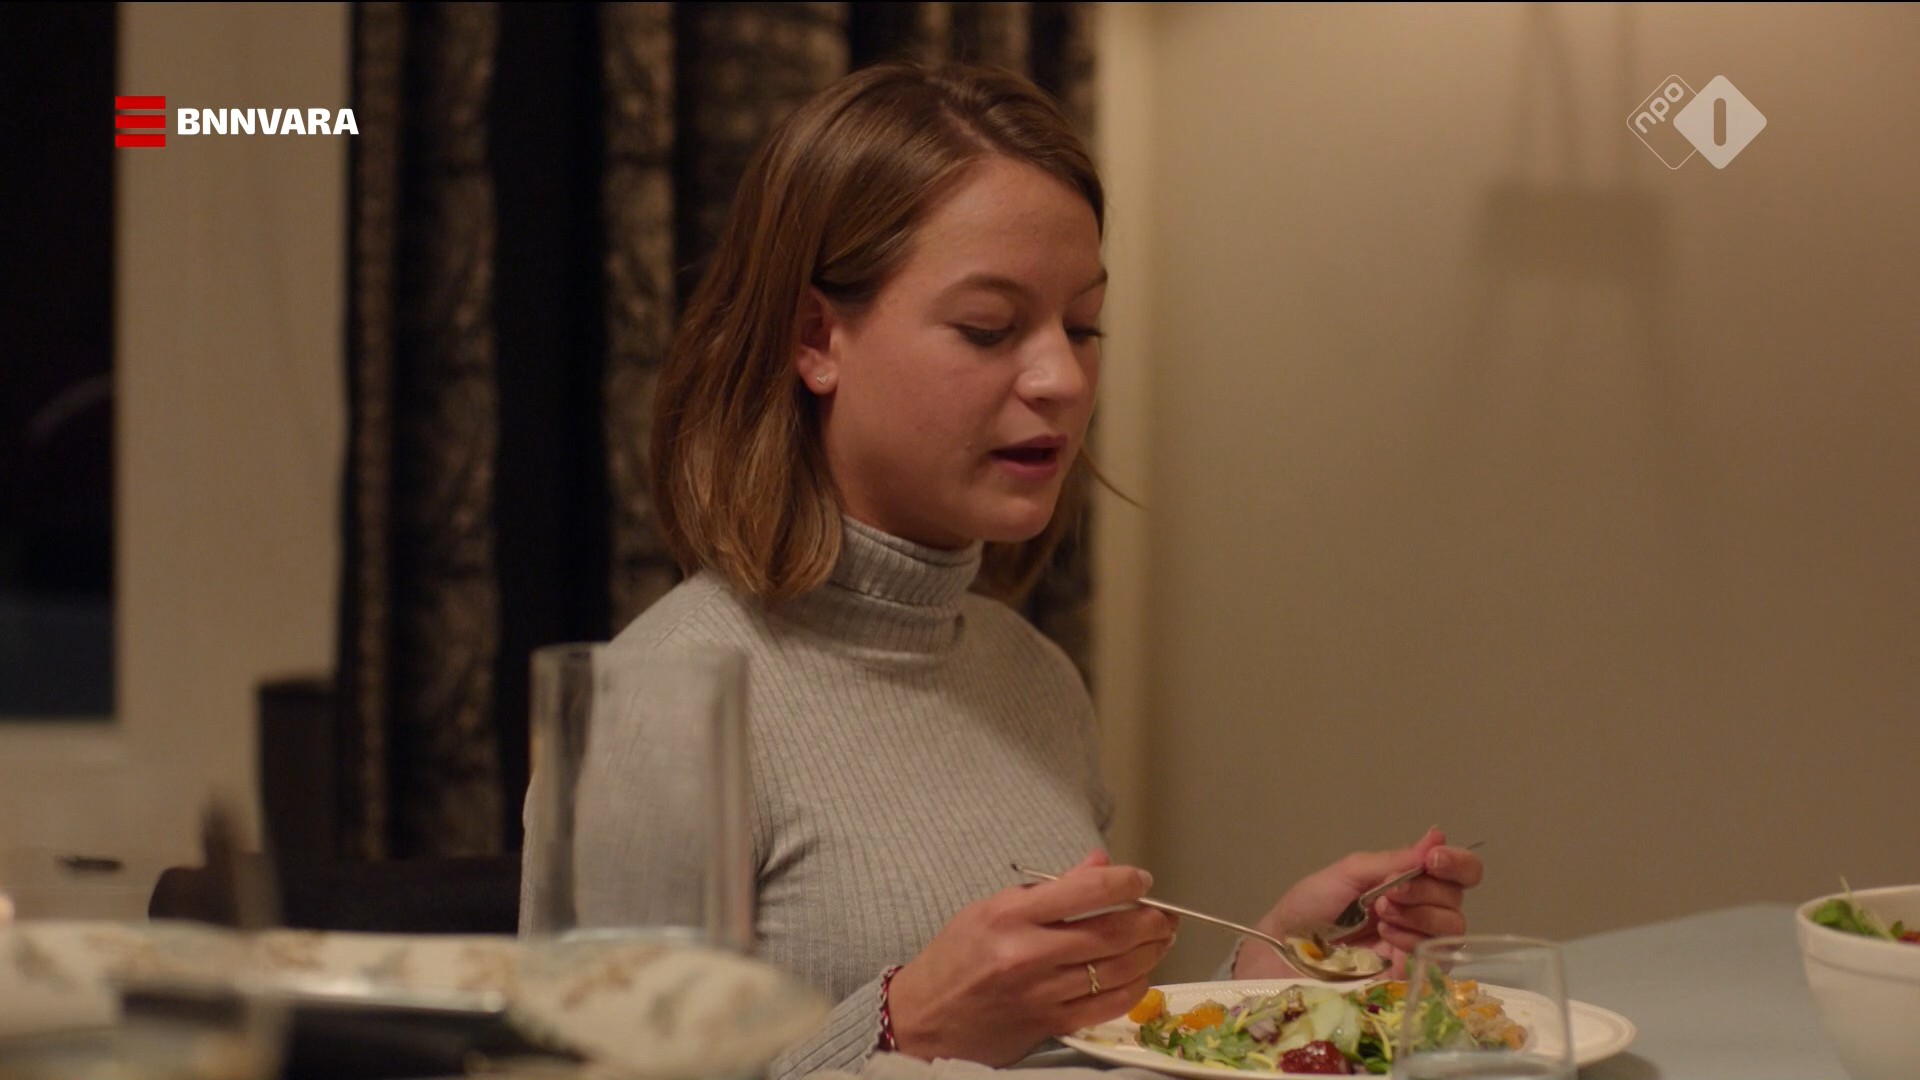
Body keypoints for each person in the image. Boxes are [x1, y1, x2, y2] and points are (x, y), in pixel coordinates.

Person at [542, 61, 1484, 1079]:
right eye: (989, 329)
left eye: (1082, 326)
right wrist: (903, 1031)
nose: (1063, 379)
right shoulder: (657, 705)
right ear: (817, 338)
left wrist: (1273, 983)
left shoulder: (1035, 677)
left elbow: (1060, 1055)